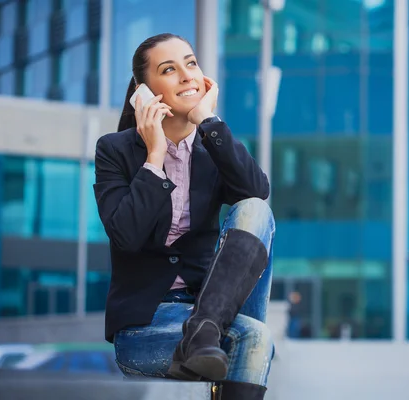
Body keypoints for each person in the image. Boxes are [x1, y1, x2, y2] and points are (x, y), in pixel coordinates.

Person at [93, 33, 275, 400]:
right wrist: (155, 155)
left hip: (216, 318)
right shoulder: (114, 151)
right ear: (144, 91)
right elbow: (125, 235)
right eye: (169, 69)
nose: (187, 75)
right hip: (145, 329)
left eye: (191, 64)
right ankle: (202, 332)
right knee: (254, 336)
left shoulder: (213, 149)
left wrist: (207, 118)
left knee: (255, 208)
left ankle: (204, 328)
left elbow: (257, 193)